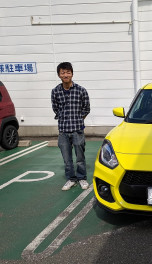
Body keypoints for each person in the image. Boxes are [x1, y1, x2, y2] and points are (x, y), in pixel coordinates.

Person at [51, 62, 91, 191]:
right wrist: (64, 118)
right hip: (63, 130)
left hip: (77, 129)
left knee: (80, 157)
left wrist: (78, 120)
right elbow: (55, 108)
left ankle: (82, 178)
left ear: (72, 74)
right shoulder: (55, 91)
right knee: (67, 158)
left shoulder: (81, 90)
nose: (65, 75)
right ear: (59, 75)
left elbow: (86, 108)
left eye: (68, 72)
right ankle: (71, 179)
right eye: (63, 72)